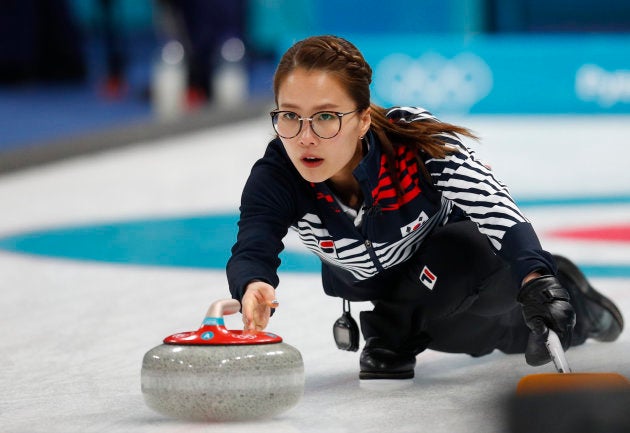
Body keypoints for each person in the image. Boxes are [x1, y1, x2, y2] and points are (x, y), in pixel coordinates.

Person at [226, 35, 624, 381]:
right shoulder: (277, 174)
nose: (305, 137)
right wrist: (253, 283)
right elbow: (253, 244)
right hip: (392, 287)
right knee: (470, 334)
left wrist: (538, 279)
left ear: (363, 119)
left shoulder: (410, 142)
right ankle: (400, 327)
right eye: (290, 116)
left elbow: (491, 203)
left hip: (469, 262)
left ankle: (573, 300)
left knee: (473, 280)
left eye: (326, 117)